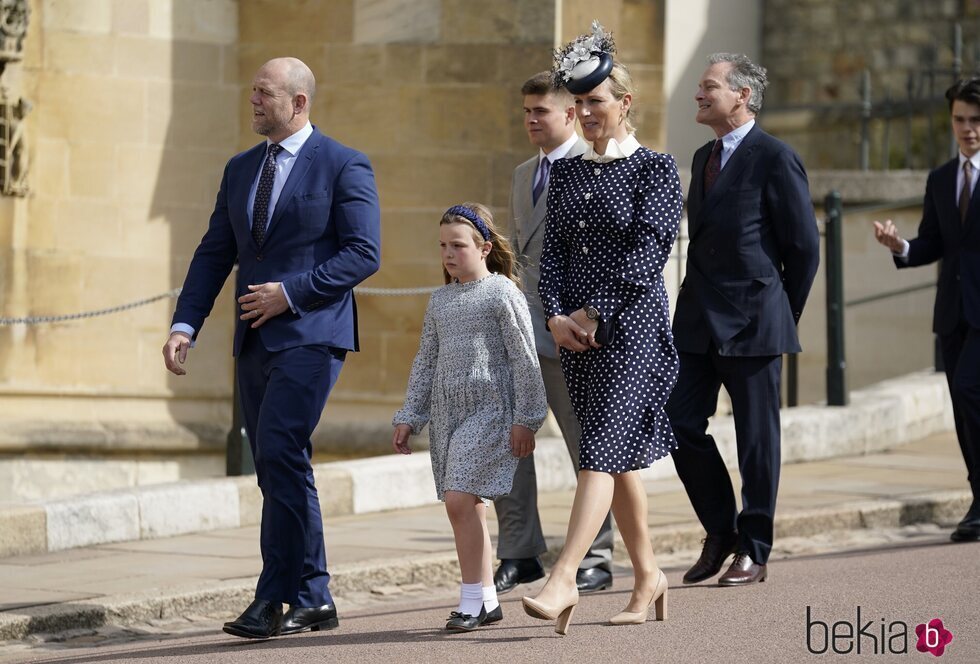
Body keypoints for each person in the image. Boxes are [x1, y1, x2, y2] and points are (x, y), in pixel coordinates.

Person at [162, 57, 381, 639]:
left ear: (299, 101)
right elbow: (214, 253)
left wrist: (292, 293)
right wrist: (186, 325)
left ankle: (276, 596)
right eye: (252, 92)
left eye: (264, 93)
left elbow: (363, 253)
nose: (252, 101)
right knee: (275, 465)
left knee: (281, 448)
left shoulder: (343, 163)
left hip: (312, 332)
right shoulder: (239, 170)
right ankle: (311, 595)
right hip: (253, 338)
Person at [522, 21, 682, 635]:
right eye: (580, 103)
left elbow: (649, 253)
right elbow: (554, 255)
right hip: (577, 335)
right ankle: (648, 575)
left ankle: (565, 577)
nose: (586, 113)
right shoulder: (566, 173)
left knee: (599, 453)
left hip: (635, 331)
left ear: (624, 103)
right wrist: (558, 316)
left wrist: (593, 313)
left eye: (596, 102)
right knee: (618, 463)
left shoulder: (655, 170)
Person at [666, 53, 820, 587]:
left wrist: (779, 312)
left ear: (742, 95)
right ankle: (721, 530)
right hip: (697, 321)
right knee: (678, 422)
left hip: (754, 321)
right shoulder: (702, 154)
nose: (699, 94)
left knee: (757, 438)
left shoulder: (776, 157)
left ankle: (755, 547)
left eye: (709, 86)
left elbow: (803, 250)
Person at [392, 203, 548, 632]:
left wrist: (527, 418)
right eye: (442, 245)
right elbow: (425, 360)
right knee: (466, 506)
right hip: (448, 414)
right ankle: (487, 600)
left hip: (492, 410)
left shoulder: (502, 292)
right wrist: (410, 415)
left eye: (457, 245)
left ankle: (469, 603)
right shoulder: (440, 299)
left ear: (483, 247)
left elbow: (524, 359)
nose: (448, 253)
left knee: (460, 498)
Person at [492, 71, 615, 597]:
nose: (530, 120)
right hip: (520, 335)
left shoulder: (595, 170)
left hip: (572, 337)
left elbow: (609, 260)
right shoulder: (524, 173)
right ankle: (520, 553)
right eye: (526, 112)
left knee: (586, 445)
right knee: (507, 441)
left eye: (540, 111)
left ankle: (597, 554)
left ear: (570, 114)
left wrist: (582, 320)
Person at [871, 78, 980, 543]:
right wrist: (901, 246)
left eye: (976, 121)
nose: (968, 129)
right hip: (952, 312)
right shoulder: (940, 179)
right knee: (962, 407)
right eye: (960, 120)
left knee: (973, 393)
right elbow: (933, 243)